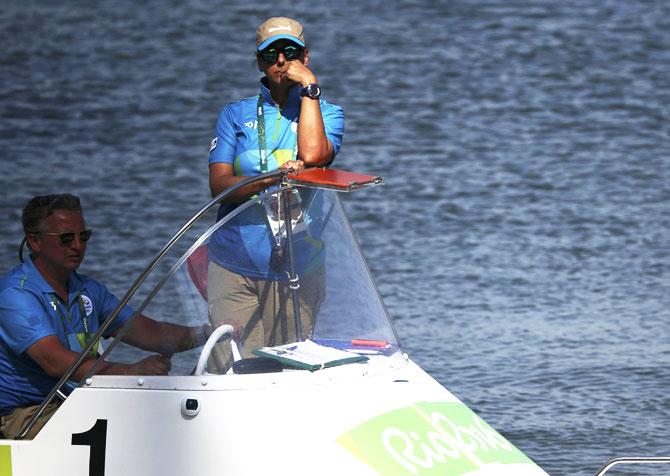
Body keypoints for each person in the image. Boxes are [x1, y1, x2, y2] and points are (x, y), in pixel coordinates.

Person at [0, 194, 212, 439]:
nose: (77, 245)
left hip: (78, 400)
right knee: (128, 437)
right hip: (27, 412)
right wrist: (130, 372)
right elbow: (54, 361)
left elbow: (151, 334)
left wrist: (207, 333)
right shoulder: (15, 295)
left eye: (84, 236)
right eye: (66, 238)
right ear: (34, 242)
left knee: (171, 423)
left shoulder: (89, 290)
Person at [206, 16, 344, 372]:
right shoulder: (235, 115)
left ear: (305, 57)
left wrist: (310, 88)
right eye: (270, 54)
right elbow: (219, 187)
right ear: (260, 62)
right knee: (235, 375)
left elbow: (314, 156)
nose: (281, 61)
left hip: (297, 266)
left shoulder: (328, 113)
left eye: (290, 52)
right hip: (233, 264)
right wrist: (271, 179)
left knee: (288, 374)